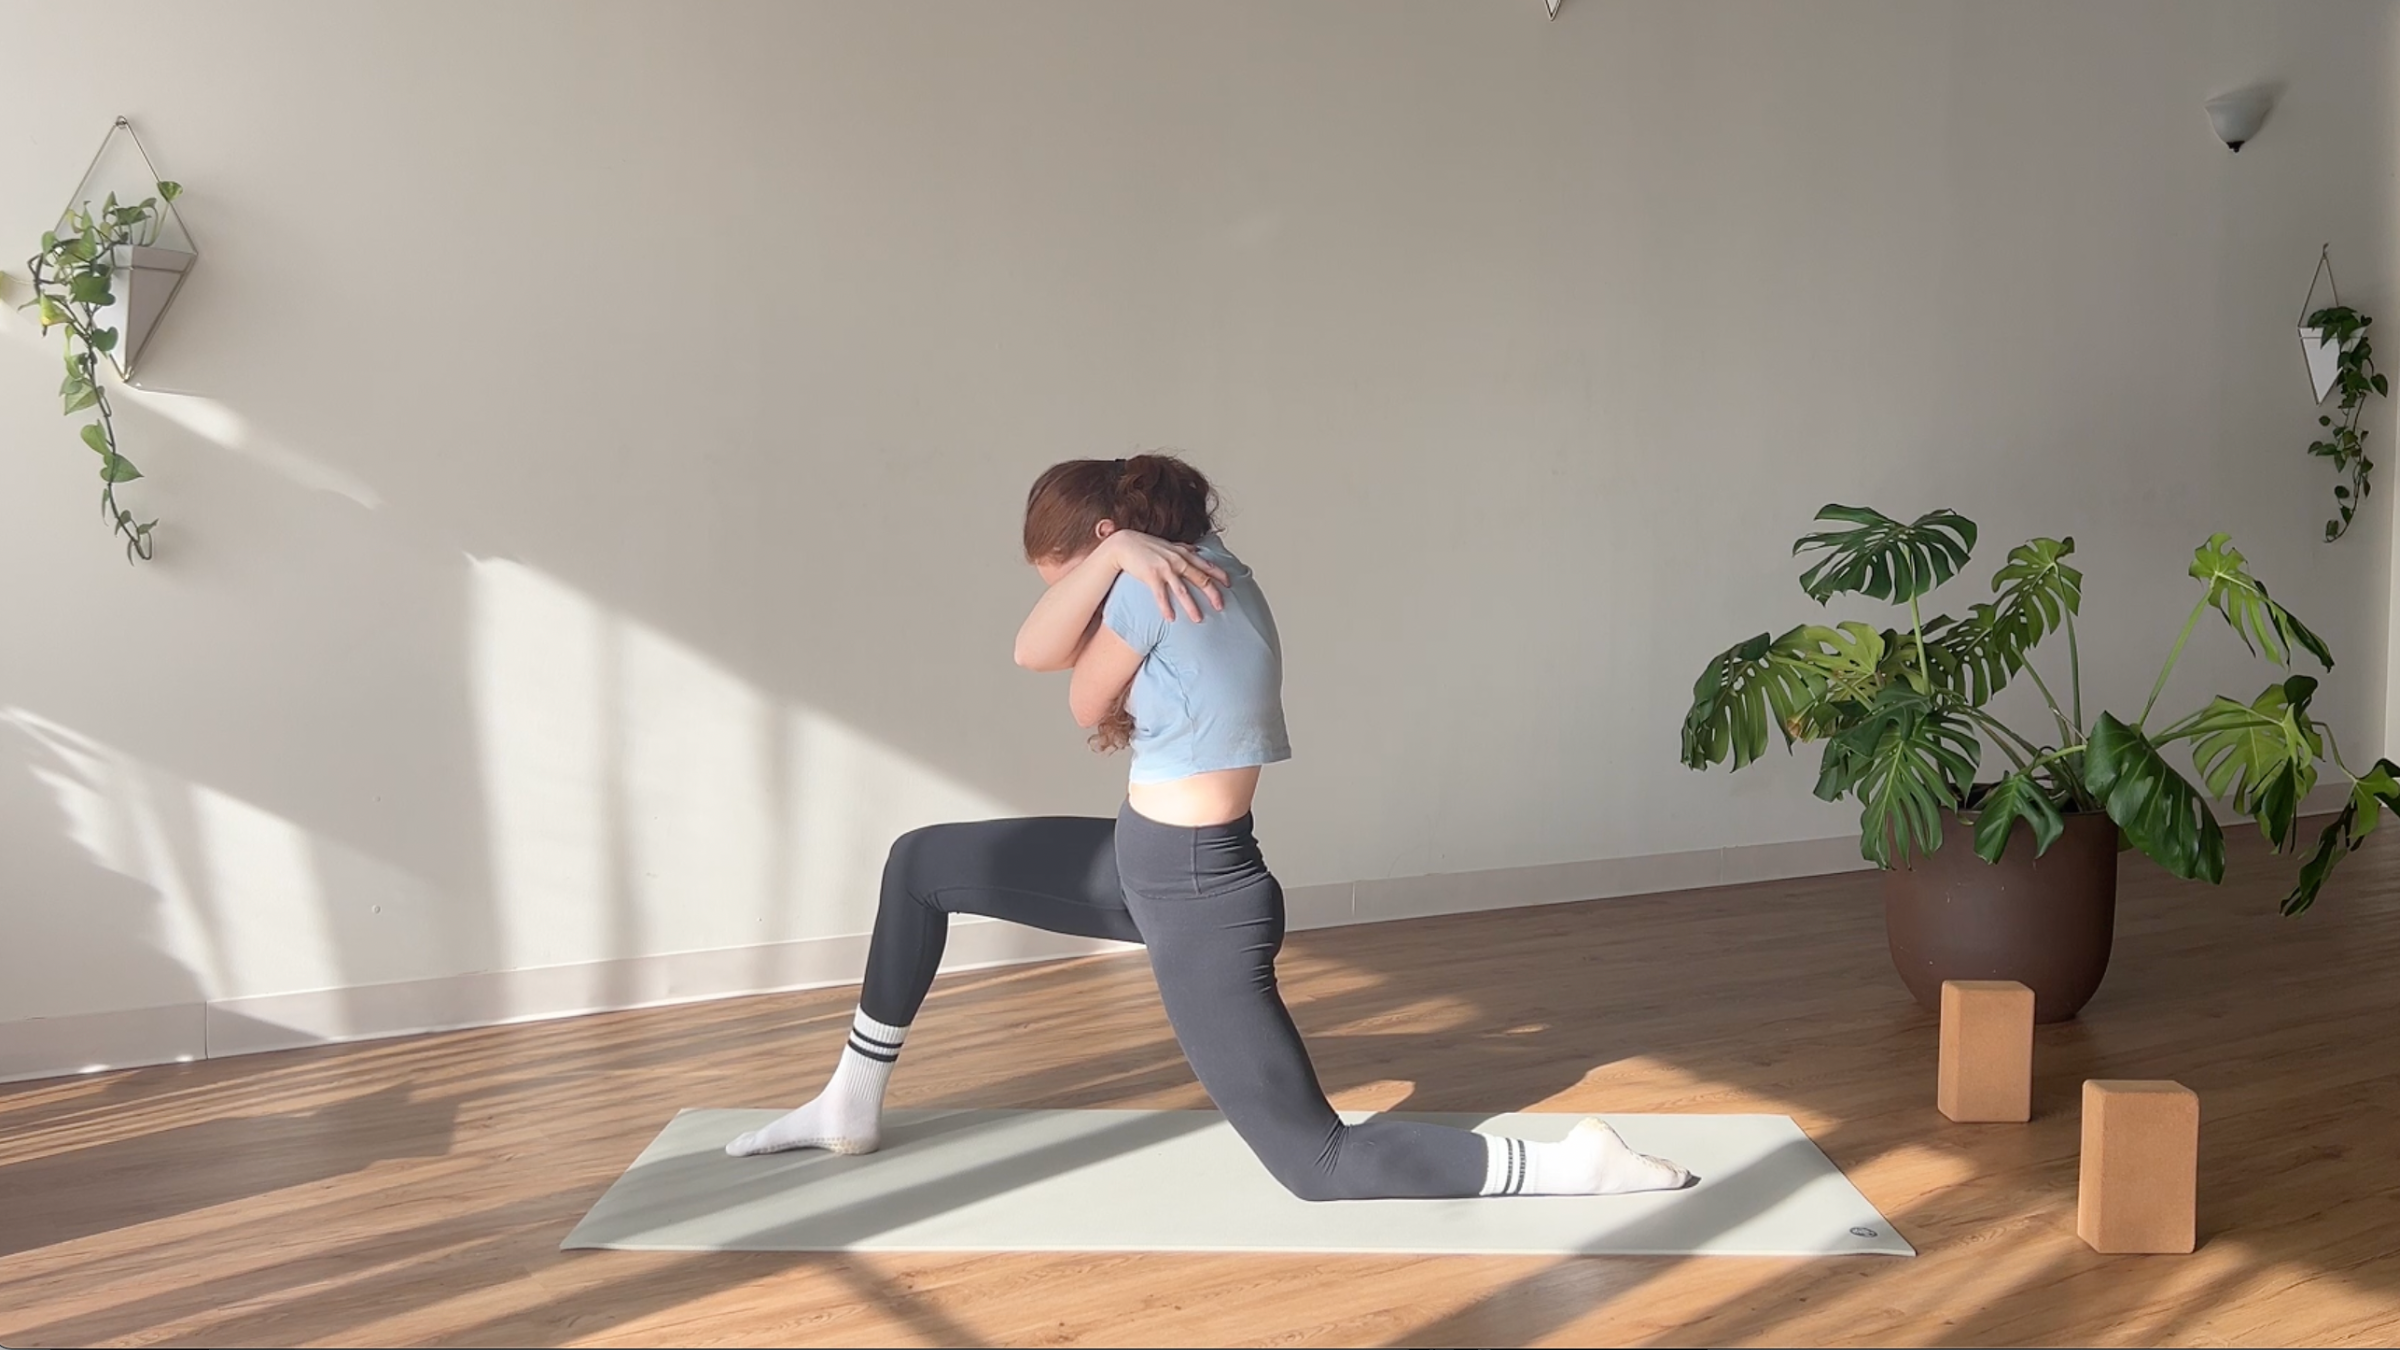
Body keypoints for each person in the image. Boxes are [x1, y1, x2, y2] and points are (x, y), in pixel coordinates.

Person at [726, 453, 1691, 1201]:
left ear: (1109, 539)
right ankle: (849, 1100)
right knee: (923, 863)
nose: (1062, 596)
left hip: (1193, 896)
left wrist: (1110, 564)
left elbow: (1048, 671)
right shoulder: (1217, 570)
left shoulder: (1160, 584)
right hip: (1148, 863)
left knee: (1316, 1161)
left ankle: (1573, 1167)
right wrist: (1109, 558)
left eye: (1064, 572)